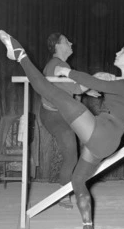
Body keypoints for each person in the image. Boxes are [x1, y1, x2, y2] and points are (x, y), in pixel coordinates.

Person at [0, 30, 124, 229]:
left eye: (123, 50)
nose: (117, 51)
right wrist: (96, 83)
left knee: (51, 92)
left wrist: (66, 72)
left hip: (101, 132)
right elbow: (103, 87)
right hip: (104, 143)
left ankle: (19, 53)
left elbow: (99, 85)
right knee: (78, 180)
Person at [40, 33, 100, 209]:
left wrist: (85, 91)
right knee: (71, 155)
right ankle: (63, 194)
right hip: (54, 116)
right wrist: (95, 79)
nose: (71, 42)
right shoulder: (56, 65)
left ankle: (76, 183)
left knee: (81, 147)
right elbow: (77, 87)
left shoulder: (59, 65)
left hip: (61, 113)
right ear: (58, 46)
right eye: (67, 41)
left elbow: (67, 87)